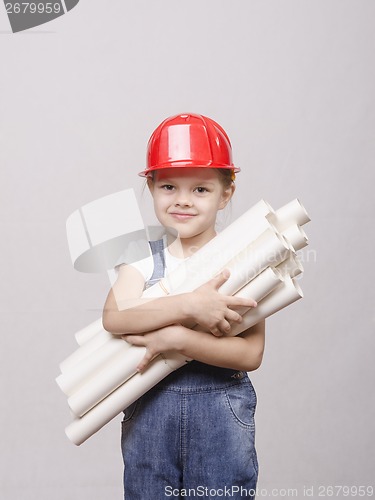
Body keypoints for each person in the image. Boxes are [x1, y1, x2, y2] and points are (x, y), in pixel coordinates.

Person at [102, 113, 265, 500]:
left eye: (201, 190)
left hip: (220, 415)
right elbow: (116, 316)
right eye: (170, 186)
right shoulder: (142, 260)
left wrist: (178, 338)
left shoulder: (243, 262)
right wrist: (191, 306)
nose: (182, 201)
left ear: (226, 193)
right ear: (152, 187)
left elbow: (250, 353)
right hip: (151, 419)